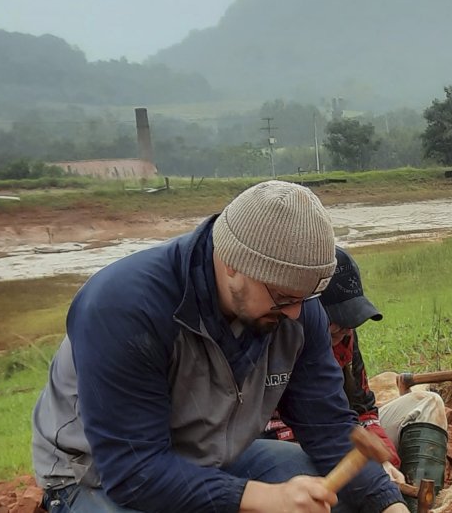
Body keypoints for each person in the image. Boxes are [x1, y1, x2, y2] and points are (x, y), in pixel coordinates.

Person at [31, 180, 408, 513]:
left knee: (336, 500)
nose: (296, 314)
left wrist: (386, 501)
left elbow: (326, 426)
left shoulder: (297, 310)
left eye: (305, 298)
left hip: (211, 457)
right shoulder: (124, 308)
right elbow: (134, 472)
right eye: (283, 296)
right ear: (231, 263)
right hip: (97, 474)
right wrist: (265, 499)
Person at [264, 247, 448, 502]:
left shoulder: (345, 338)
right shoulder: (279, 342)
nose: (344, 330)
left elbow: (363, 410)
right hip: (302, 448)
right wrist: (366, 468)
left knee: (427, 404)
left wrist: (385, 461)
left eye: (349, 321)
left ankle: (418, 502)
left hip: (343, 436)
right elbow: (291, 431)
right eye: (335, 322)